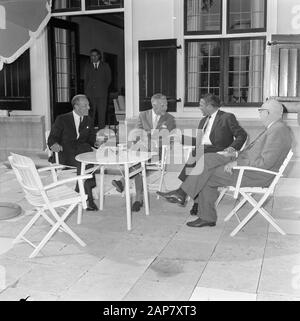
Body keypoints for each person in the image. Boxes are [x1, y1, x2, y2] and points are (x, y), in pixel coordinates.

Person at [157, 99, 292, 228]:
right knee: (207, 158)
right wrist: (235, 154)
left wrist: (237, 164)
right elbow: (257, 155)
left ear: (268, 113)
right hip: (245, 164)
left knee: (207, 173)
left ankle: (200, 211)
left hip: (254, 174)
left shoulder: (278, 130)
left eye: (260, 110)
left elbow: (265, 162)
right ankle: (184, 195)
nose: (259, 113)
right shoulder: (274, 128)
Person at [180, 93, 247, 215]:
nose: (199, 108)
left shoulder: (227, 117)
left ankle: (183, 193)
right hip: (204, 151)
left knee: (198, 157)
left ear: (210, 106)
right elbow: (199, 141)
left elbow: (242, 135)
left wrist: (232, 148)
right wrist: (181, 138)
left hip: (219, 152)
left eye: (201, 105)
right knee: (197, 155)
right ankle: (193, 199)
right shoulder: (203, 121)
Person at [112, 93, 176, 212]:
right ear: (154, 105)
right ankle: (138, 199)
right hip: (142, 151)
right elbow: (137, 133)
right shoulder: (143, 115)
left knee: (137, 159)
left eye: (166, 105)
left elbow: (167, 138)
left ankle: (123, 181)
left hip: (157, 153)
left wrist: (151, 140)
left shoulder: (170, 118)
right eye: (163, 105)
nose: (166, 108)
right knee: (139, 161)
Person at [47, 94, 99, 211]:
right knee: (84, 162)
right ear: (76, 106)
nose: (89, 108)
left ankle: (79, 190)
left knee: (86, 157)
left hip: (81, 152)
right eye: (85, 105)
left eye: (88, 105)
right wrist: (54, 144)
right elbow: (52, 137)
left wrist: (96, 143)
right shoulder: (62, 119)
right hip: (65, 153)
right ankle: (88, 199)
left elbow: (91, 140)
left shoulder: (88, 120)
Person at [84, 48, 111, 129]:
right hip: (90, 95)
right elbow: (86, 80)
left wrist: (103, 88)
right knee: (90, 114)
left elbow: (108, 79)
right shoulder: (88, 67)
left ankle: (101, 132)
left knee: (102, 114)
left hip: (102, 94)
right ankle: (90, 133)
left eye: (95, 55)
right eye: (92, 56)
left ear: (99, 56)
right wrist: (87, 92)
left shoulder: (105, 66)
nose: (93, 57)